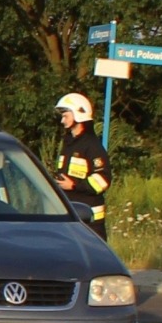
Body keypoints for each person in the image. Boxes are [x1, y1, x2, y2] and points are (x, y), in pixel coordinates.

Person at [54, 92, 110, 238]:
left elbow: (103, 180)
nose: (62, 120)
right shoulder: (68, 143)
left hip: (90, 222)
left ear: (78, 114)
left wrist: (74, 185)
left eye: (65, 115)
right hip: (72, 217)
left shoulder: (92, 145)